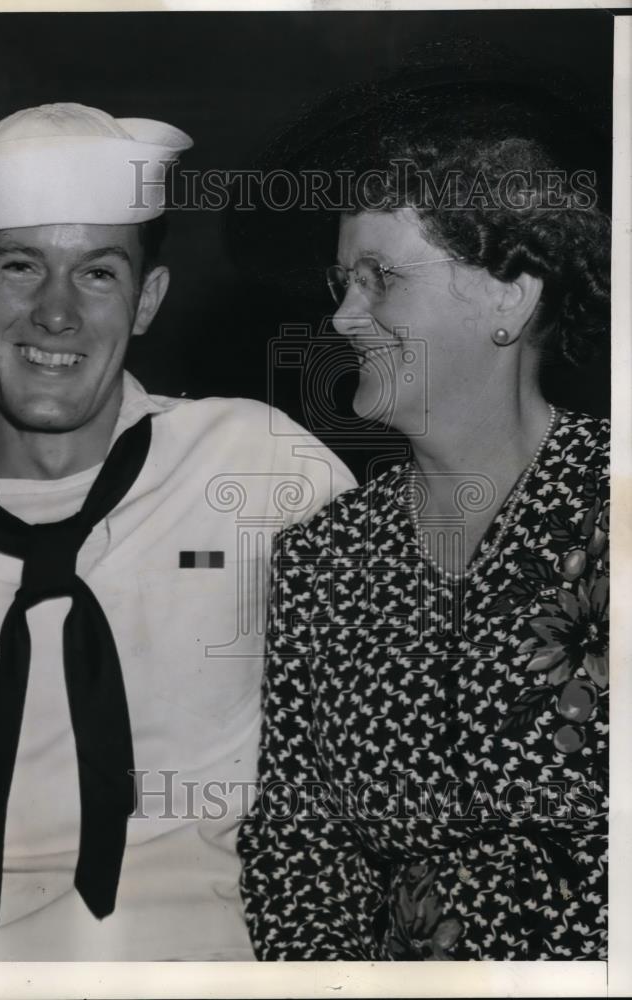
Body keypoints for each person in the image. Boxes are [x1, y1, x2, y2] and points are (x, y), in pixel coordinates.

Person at [0, 102, 355, 961]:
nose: (56, 314)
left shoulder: (260, 464)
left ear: (148, 301)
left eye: (98, 274)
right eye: (21, 266)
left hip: (221, 965)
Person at [237, 76, 610, 960]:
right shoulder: (323, 559)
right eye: (342, 280)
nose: (341, 315)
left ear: (510, 296)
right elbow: (298, 852)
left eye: (381, 280)